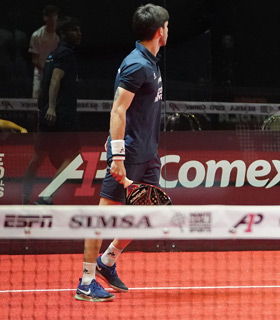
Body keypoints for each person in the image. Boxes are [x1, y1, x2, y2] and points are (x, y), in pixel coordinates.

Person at [75, 4, 170, 302]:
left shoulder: (150, 62)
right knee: (103, 217)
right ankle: (86, 281)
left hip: (148, 155)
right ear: (159, 31)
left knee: (149, 210)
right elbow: (118, 110)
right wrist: (117, 156)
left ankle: (108, 260)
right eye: (167, 26)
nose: (168, 30)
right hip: (128, 156)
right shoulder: (136, 65)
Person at [22, 16, 81, 205]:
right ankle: (46, 196)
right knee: (73, 155)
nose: (79, 34)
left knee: (37, 158)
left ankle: (24, 198)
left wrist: (44, 108)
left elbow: (45, 84)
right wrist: (53, 108)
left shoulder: (51, 55)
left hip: (47, 114)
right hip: (61, 115)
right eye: (75, 30)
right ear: (63, 34)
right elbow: (55, 79)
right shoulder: (66, 54)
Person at [29, 5, 60, 99]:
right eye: (51, 16)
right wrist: (46, 69)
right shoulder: (36, 35)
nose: (53, 19)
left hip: (55, 73)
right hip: (40, 73)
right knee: (36, 99)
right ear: (45, 18)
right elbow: (34, 60)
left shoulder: (60, 37)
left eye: (55, 16)